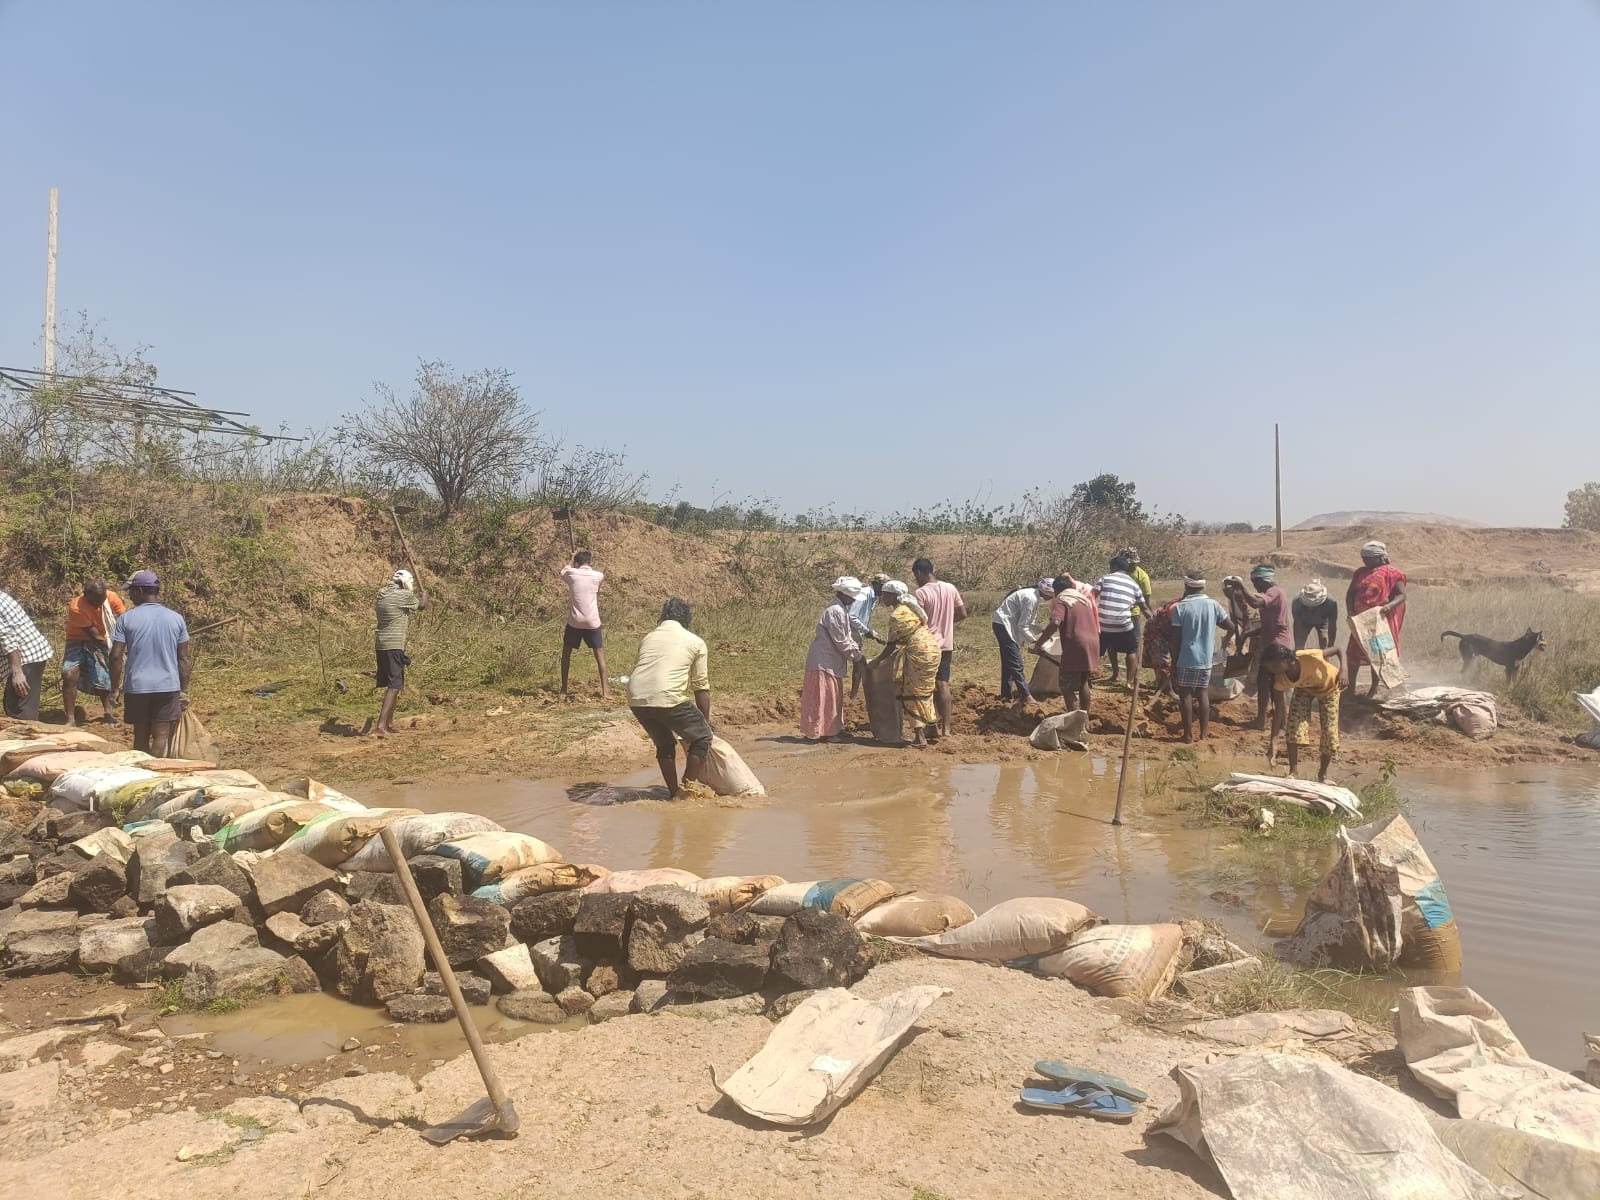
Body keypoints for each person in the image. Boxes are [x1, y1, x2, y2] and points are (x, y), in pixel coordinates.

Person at [627, 598, 713, 795]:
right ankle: (686, 790)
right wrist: (705, 725)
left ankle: (674, 793)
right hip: (667, 696)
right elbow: (701, 687)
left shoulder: (648, 637)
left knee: (664, 744)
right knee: (703, 737)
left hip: (636, 697)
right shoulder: (695, 641)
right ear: (686, 618)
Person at [108, 571, 189, 756]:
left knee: (140, 736)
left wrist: (114, 689)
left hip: (137, 687)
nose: (130, 596)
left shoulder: (126, 619)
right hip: (168, 686)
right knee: (162, 735)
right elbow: (183, 658)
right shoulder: (176, 618)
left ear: (140, 591)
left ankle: (141, 770)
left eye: (131, 591)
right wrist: (184, 690)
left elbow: (115, 656)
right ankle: (157, 769)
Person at [1224, 565, 1294, 732]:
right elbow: (1269, 624)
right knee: (1268, 684)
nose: (1255, 586)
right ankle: (1272, 721)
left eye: (1255, 582)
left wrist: (1241, 586)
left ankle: (1273, 721)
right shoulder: (1275, 593)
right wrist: (1247, 634)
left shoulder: (1274, 592)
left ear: (1263, 580)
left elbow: (1255, 603)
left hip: (1277, 647)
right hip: (1273, 645)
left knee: (1274, 685)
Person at [1264, 642, 1345, 782]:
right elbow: (1279, 711)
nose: (1274, 671)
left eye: (1276, 666)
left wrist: (1344, 669)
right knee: (1293, 726)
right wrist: (1274, 743)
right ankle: (1293, 772)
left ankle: (1323, 775)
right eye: (1270, 668)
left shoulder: (1307, 656)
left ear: (1289, 661)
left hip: (1330, 688)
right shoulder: (1279, 679)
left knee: (1329, 732)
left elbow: (1339, 648)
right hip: (1305, 689)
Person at [801, 577, 865, 742]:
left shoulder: (840, 609)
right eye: (851, 597)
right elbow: (841, 640)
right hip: (824, 660)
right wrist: (857, 657)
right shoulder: (835, 611)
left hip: (831, 660)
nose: (853, 601)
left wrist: (856, 652)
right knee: (823, 696)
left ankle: (833, 729)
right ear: (844, 595)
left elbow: (846, 637)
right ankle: (823, 732)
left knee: (832, 696)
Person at [878, 580, 941, 747]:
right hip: (932, 649)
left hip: (918, 652)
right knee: (925, 689)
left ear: (894, 595)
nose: (883, 598)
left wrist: (876, 662)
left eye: (885, 595)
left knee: (911, 692)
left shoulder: (898, 615)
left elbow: (891, 645)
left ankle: (920, 737)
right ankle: (932, 728)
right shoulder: (910, 609)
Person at [1170, 574, 1233, 743]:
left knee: (1185, 694)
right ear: (1202, 587)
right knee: (1202, 693)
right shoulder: (1213, 605)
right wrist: (1225, 642)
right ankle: (1204, 734)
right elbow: (1230, 626)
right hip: (1205, 660)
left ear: (1186, 586)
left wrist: (1173, 664)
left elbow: (1175, 640)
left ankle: (1187, 735)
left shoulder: (1179, 608)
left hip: (1185, 658)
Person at [1345, 541, 1407, 698]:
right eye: (1363, 558)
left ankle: (1374, 689)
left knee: (1378, 653)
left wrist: (1389, 606)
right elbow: (1350, 593)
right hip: (1361, 622)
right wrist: (1350, 611)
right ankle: (1350, 688)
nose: (1365, 561)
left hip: (1380, 622)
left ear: (1380, 557)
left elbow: (1401, 595)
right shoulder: (1360, 572)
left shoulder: (1393, 573)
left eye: (1368, 559)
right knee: (1352, 653)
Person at [912, 558, 966, 736]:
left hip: (927, 646)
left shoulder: (920, 593)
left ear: (919, 573)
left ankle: (931, 726)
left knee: (926, 686)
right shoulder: (950, 588)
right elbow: (962, 613)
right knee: (943, 684)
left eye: (916, 576)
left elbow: (917, 621)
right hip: (946, 645)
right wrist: (947, 624)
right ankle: (946, 729)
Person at [1032, 574, 1100, 715]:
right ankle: (1084, 717)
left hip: (1076, 644)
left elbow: (1055, 623)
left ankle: (1075, 719)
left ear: (1056, 590)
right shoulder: (1083, 600)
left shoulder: (1062, 600)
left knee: (1066, 686)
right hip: (1093, 643)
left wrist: (1038, 644)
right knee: (1083, 683)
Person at [62, 579, 125, 726]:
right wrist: (117, 648)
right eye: (96, 600)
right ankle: (70, 719)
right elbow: (95, 636)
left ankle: (108, 713)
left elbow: (124, 619)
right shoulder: (77, 607)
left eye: (102, 599)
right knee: (69, 675)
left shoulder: (111, 597)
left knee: (102, 676)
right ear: (86, 595)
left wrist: (125, 641)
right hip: (78, 639)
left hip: (104, 637)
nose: (100, 603)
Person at [374, 567, 428, 736]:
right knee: (394, 686)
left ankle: (389, 724)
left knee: (394, 684)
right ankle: (381, 726)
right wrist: (424, 596)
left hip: (381, 645)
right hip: (394, 645)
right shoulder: (403, 595)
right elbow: (421, 606)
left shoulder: (382, 594)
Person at [993, 579, 1053, 703]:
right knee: (1016, 662)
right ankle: (1025, 695)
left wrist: (1043, 630)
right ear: (1047, 592)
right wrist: (1035, 643)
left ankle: (1006, 695)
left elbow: (1029, 623)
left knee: (1009, 661)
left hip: (1006, 624)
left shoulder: (1034, 597)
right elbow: (1023, 626)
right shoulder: (1031, 598)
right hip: (1003, 625)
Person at [1094, 555, 1152, 685]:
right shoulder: (1134, 585)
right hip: (1123, 624)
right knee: (1131, 651)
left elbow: (1091, 596)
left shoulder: (1105, 579)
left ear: (1114, 567)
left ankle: (1086, 679)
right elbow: (1144, 608)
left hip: (1103, 624)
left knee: (1097, 651)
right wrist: (1155, 621)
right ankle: (1129, 682)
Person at [559, 550, 608, 699]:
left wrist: (571, 559)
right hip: (592, 622)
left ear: (576, 562)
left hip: (575, 622)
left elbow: (563, 571)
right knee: (599, 656)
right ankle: (606, 691)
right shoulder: (598, 576)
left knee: (566, 654)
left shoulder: (571, 574)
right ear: (590, 562)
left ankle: (564, 689)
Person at [0, 590, 54, 721]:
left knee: (21, 709)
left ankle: (29, 732)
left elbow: (7, 638)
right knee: (11, 703)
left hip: (25, 657)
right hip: (24, 655)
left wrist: (17, 673)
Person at [848, 575, 889, 699]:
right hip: (849, 632)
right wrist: (866, 631)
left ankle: (853, 696)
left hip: (856, 633)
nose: (884, 590)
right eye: (883, 587)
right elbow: (852, 616)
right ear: (876, 584)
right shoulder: (864, 594)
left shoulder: (873, 597)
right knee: (858, 662)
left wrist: (874, 634)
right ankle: (853, 695)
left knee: (858, 664)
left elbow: (864, 618)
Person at [1141, 595, 1180, 696]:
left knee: (1176, 658)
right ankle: (1167, 689)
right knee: (1162, 660)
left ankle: (1170, 684)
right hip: (1156, 630)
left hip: (1168, 631)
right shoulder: (1177, 609)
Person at [1292, 579, 1339, 649]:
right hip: (1304, 621)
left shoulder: (1331, 603)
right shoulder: (1297, 602)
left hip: (1323, 621)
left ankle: (1325, 655)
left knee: (1324, 640)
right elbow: (1297, 624)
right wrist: (1297, 646)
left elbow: (1332, 625)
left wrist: (1330, 646)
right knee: (1300, 643)